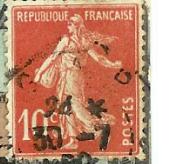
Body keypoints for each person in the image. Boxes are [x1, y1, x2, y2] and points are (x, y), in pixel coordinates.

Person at [33, 14, 123, 149]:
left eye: (70, 24)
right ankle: (73, 140)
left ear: (76, 26)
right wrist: (112, 64)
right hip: (75, 76)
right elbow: (99, 58)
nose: (67, 26)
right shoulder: (84, 41)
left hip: (70, 76)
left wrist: (40, 72)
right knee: (66, 107)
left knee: (74, 105)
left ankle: (98, 125)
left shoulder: (67, 41)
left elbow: (52, 58)